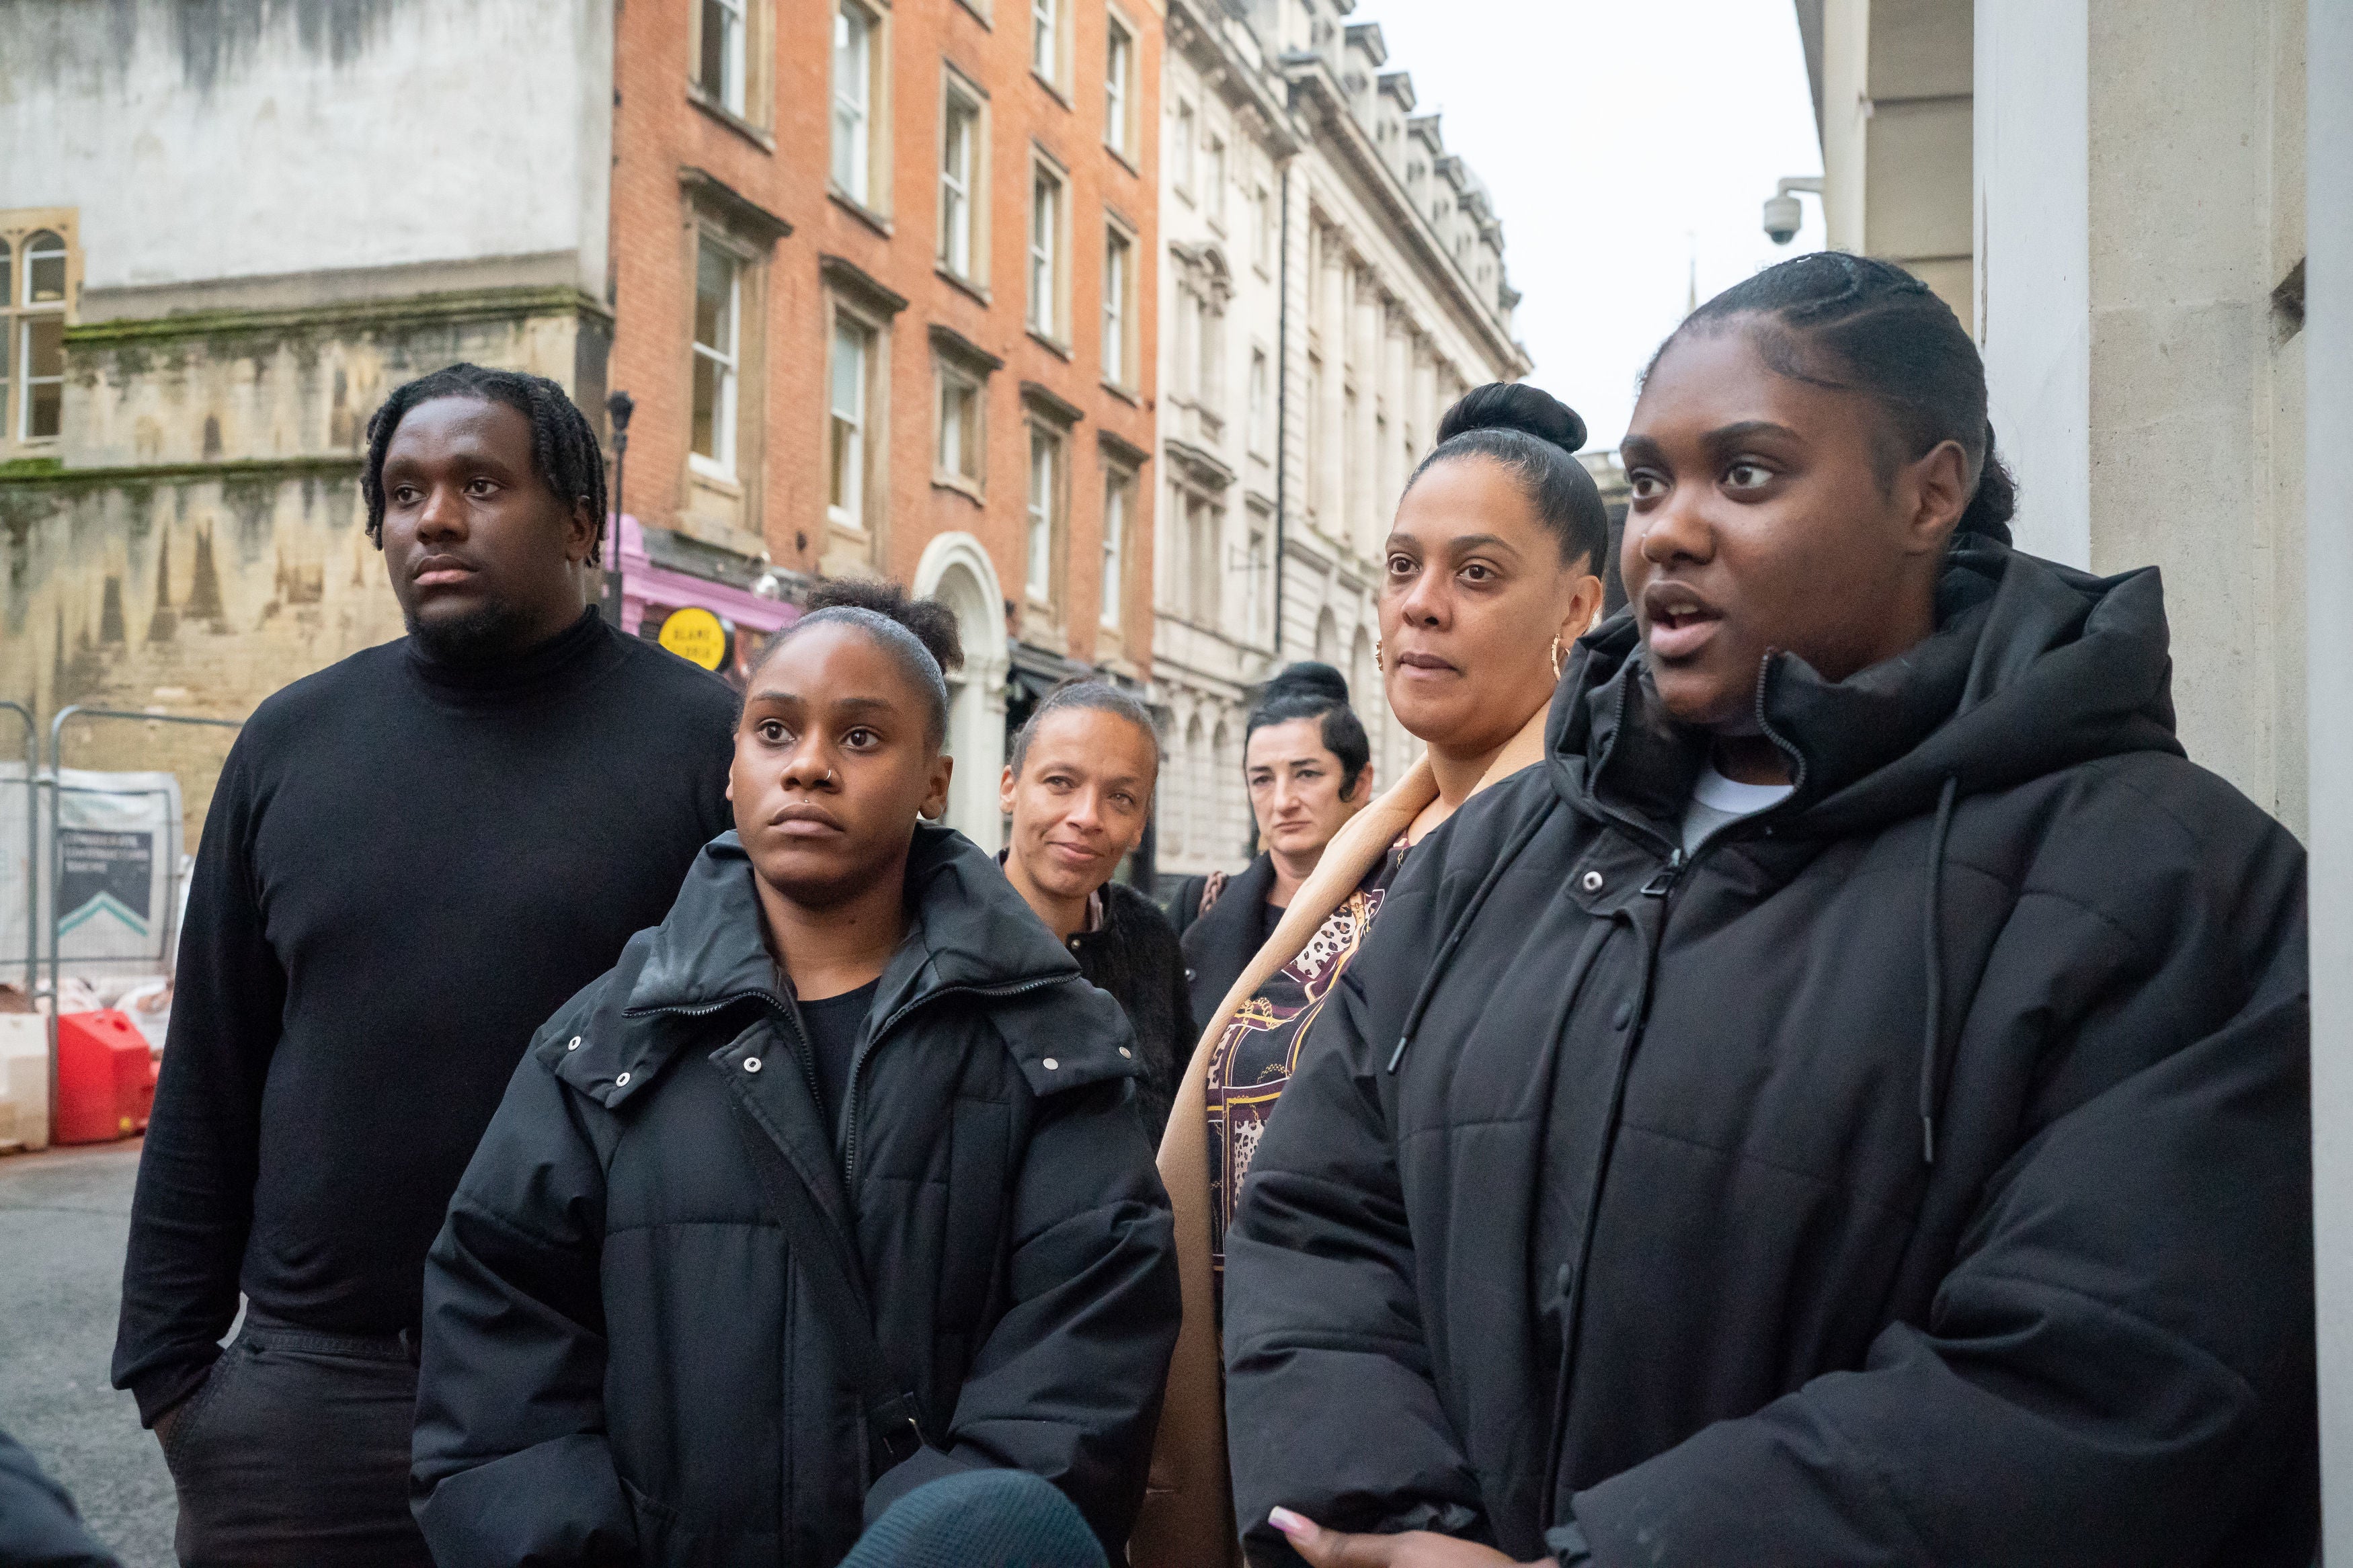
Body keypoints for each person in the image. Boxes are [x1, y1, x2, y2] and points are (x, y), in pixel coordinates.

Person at [1224, 253, 2315, 1568]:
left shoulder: (2173, 877)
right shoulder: (1490, 853)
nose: (1667, 531)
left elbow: (2116, 1367)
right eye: (1648, 481)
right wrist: (1393, 1522)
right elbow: (1317, 1216)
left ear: (1929, 494)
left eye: (1743, 473)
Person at [411, 585, 1183, 1568]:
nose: (810, 765)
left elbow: (1082, 1366)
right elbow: (497, 1361)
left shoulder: (1053, 1045)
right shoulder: (603, 1042)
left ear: (934, 782)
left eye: (861, 739)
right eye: (775, 731)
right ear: (734, 770)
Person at [110, 365, 737, 1567]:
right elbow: (211, 1065)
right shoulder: (290, 741)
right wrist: (177, 1380)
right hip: (308, 1399)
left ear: (577, 519)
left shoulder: (701, 743)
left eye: (480, 484)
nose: (434, 519)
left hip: (592, 1387)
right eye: (403, 493)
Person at [1131, 384, 1609, 1568]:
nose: (1421, 606)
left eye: (1478, 573)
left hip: (1441, 1481)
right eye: (1402, 567)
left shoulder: (1593, 850)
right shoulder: (1377, 844)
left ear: (1581, 604)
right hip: (1275, 1419)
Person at [998, 678, 1191, 1141]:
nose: (1087, 816)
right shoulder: (943, 936)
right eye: (1060, 783)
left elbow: (1182, 1123)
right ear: (1010, 787)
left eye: (1120, 798)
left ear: (1140, 824)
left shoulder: (1151, 941)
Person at [1173, 665, 1375, 1028]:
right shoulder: (1199, 905)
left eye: (1306, 774)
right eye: (1262, 779)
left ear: (1360, 784)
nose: (1283, 801)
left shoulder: (1397, 905)